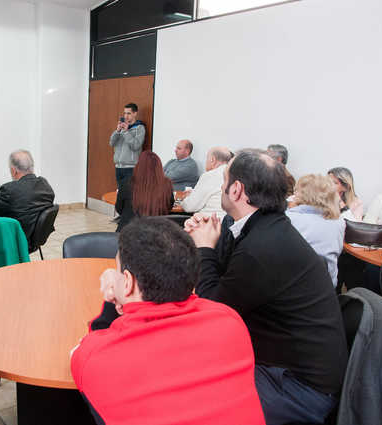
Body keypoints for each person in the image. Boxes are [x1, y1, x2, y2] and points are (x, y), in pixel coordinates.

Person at [185, 149, 347, 425]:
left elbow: (214, 308)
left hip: (300, 388)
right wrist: (211, 239)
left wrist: (203, 248)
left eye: (224, 180)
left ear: (236, 189)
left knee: (189, 395)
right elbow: (229, 276)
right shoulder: (265, 227)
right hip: (292, 367)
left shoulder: (263, 247)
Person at [71, 217, 265, 425]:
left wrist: (113, 296)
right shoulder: (230, 322)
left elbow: (77, 354)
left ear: (127, 282)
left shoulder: (97, 356)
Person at [0, 150, 55, 249]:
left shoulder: (10, 190)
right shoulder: (45, 185)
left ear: (13, 170)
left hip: (14, 240)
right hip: (35, 239)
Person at [286, 174, 345, 288]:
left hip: (295, 288)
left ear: (302, 194)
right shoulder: (339, 222)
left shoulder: (288, 218)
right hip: (327, 287)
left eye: (296, 191)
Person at [115, 151, 174, 232]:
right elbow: (168, 207)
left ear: (139, 165)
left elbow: (119, 208)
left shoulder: (126, 183)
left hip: (127, 232)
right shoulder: (167, 184)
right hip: (156, 234)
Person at [180, 146, 233, 217]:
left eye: (207, 158)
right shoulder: (234, 173)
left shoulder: (210, 176)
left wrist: (185, 198)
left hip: (209, 222)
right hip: (228, 222)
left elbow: (189, 207)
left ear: (212, 160)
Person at [109, 102, 145, 188]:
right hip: (118, 167)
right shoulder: (122, 127)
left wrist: (125, 132)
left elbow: (136, 146)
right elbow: (111, 143)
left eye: (128, 113)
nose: (126, 116)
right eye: (124, 113)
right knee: (120, 195)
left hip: (131, 168)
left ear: (135, 113)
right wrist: (117, 131)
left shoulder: (140, 128)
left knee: (129, 196)